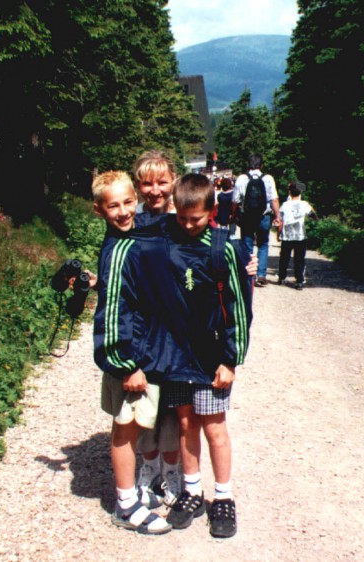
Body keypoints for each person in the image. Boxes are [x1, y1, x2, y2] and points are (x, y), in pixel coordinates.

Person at [140, 174, 252, 538]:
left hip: (210, 356)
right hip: (174, 353)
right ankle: (191, 490)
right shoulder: (166, 238)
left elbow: (239, 309)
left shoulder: (223, 249)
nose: (188, 225)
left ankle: (224, 496)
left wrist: (231, 360)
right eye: (183, 218)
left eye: (197, 219)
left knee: (214, 427)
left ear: (212, 210)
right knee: (186, 424)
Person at [90, 170, 171, 534]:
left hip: (144, 351)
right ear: (99, 210)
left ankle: (135, 492)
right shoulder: (118, 250)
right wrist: (125, 365)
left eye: (127, 202)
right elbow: (112, 315)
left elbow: (171, 226)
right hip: (130, 358)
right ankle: (125, 504)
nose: (123, 212)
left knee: (136, 425)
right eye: (113, 206)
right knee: (126, 427)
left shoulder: (136, 232)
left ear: (136, 200)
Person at [130, 150, 183, 509]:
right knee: (145, 403)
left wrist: (244, 263)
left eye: (162, 182)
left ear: (173, 181)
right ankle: (148, 468)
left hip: (178, 330)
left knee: (174, 407)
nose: (155, 190)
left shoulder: (185, 220)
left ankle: (172, 470)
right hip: (143, 328)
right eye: (147, 183)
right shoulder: (130, 222)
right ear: (138, 186)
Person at [232, 154, 280, 287]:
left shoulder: (242, 178)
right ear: (261, 165)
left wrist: (233, 214)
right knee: (263, 244)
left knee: (247, 245)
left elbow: (235, 200)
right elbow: (274, 199)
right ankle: (261, 274)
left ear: (249, 165)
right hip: (264, 216)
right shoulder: (268, 178)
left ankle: (249, 275)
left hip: (247, 217)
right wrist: (277, 216)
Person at [278, 181, 317, 290]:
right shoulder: (304, 204)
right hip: (300, 235)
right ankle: (299, 281)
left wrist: (279, 233)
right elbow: (313, 216)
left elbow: (280, 221)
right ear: (300, 192)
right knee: (299, 259)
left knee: (284, 258)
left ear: (289, 192)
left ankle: (282, 277)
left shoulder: (284, 205)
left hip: (287, 235)